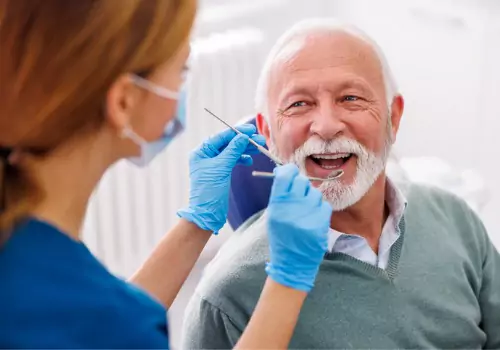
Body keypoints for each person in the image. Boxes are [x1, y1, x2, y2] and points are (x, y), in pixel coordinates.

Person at [0, 2, 334, 348]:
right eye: (181, 71)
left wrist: (198, 222)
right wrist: (287, 281)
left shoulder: (35, 258)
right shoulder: (104, 317)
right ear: (124, 102)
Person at [182, 18, 500, 349]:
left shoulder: (456, 219)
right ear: (267, 132)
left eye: (350, 98)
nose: (327, 126)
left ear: (394, 117)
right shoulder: (227, 300)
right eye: (299, 104)